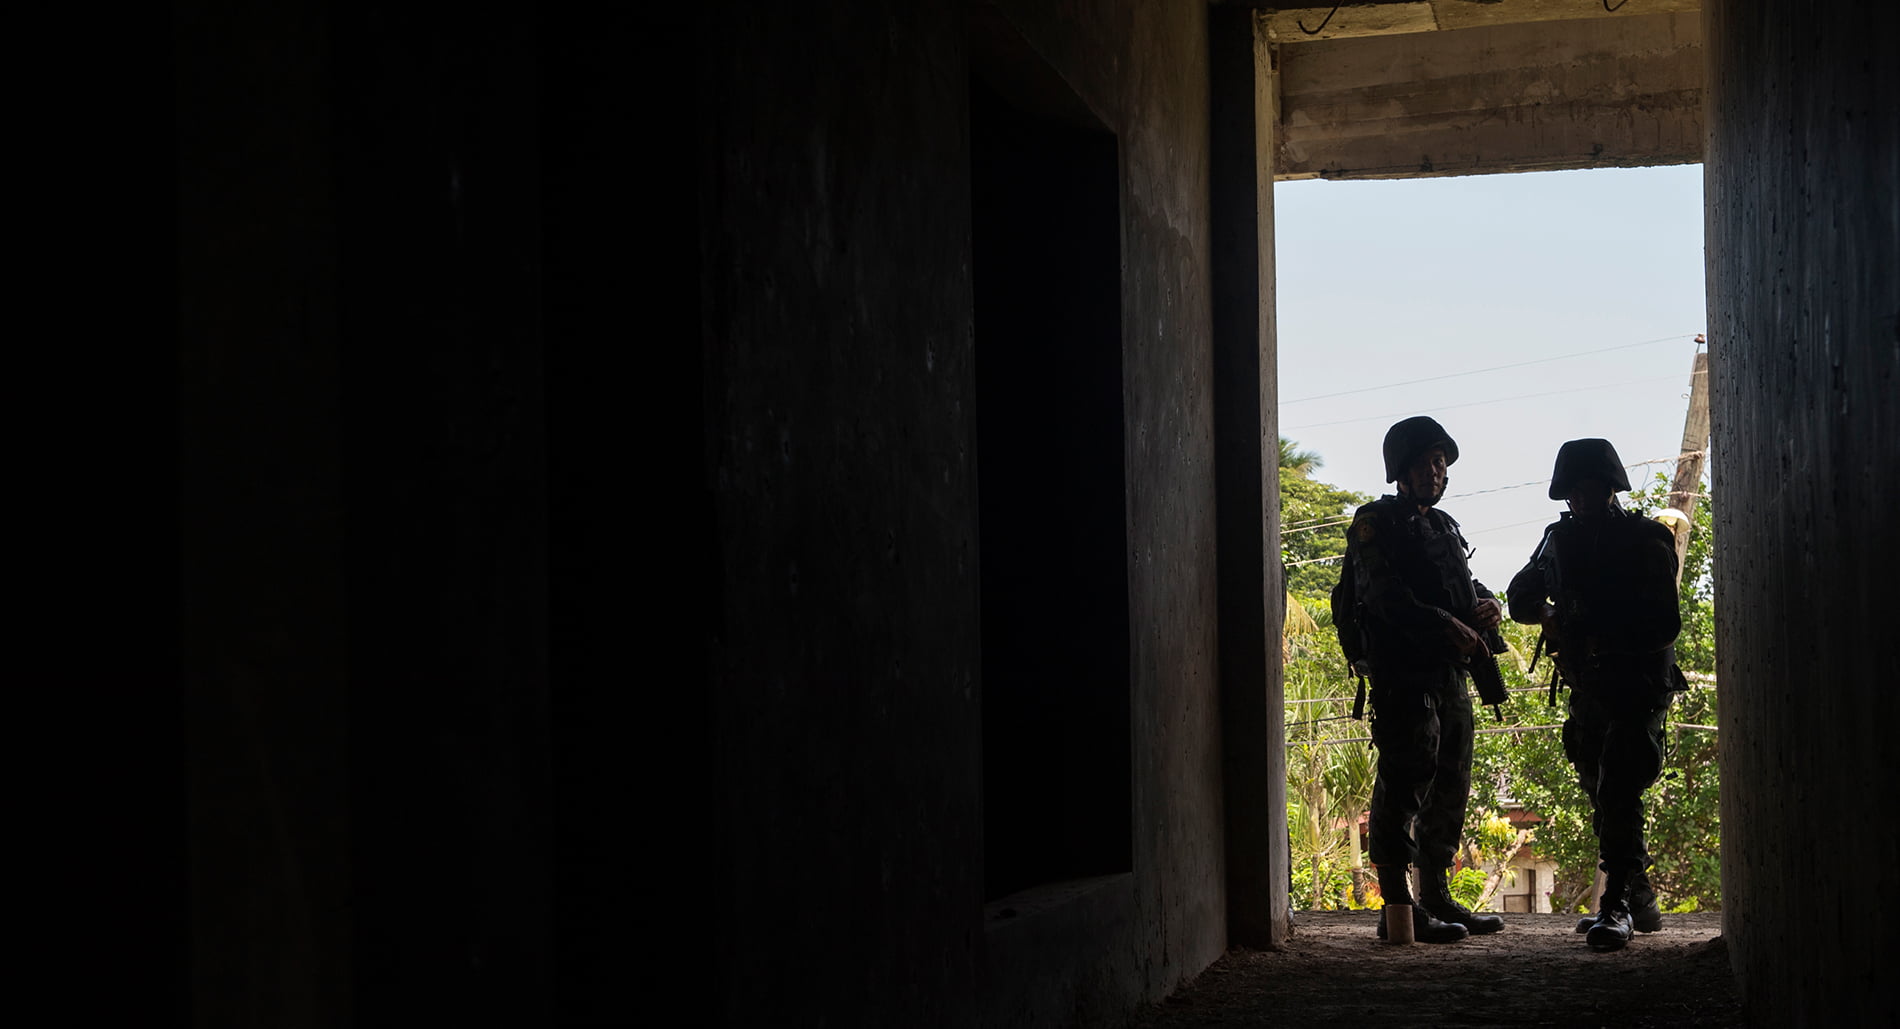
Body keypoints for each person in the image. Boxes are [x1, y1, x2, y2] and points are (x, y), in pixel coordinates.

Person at [1506, 438, 1684, 951]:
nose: (1579, 498)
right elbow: (1520, 597)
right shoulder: (1557, 540)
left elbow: (1662, 625)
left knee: (1618, 787)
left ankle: (1618, 904)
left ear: (1609, 488)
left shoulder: (1645, 539)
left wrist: (1597, 627)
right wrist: (1549, 615)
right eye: (1571, 491)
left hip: (1636, 686)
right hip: (1589, 689)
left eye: (1588, 488)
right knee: (1599, 790)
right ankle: (1640, 895)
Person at [1340, 416, 1507, 943]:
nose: (1436, 472)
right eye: (1425, 462)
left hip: (1450, 674)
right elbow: (1384, 596)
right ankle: (1398, 913)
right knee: (1405, 780)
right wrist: (1445, 624)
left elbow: (1458, 582)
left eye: (1441, 462)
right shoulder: (1374, 524)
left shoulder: (1443, 526)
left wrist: (1486, 604)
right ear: (1400, 471)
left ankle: (1436, 895)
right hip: (1403, 675)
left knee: (1451, 782)